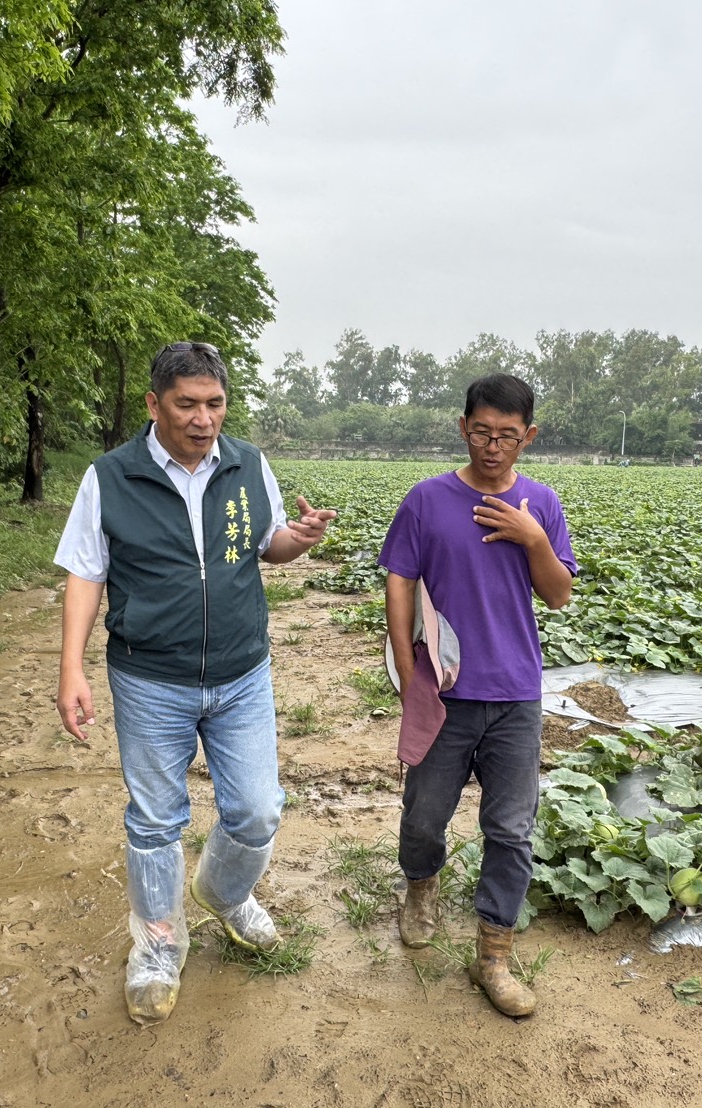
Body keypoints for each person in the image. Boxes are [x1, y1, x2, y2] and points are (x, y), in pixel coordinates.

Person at [54, 341, 336, 1026]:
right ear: (153, 404)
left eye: (214, 403)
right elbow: (86, 573)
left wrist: (297, 539)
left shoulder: (246, 464)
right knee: (154, 822)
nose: (202, 418)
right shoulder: (109, 477)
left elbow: (266, 543)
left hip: (241, 672)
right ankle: (156, 946)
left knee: (257, 809)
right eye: (186, 404)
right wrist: (71, 667)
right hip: (150, 677)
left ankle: (223, 891)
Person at [379, 373, 577, 1018]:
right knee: (423, 815)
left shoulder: (541, 504)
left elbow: (558, 594)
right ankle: (421, 890)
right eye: (484, 433)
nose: (494, 447)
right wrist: (410, 674)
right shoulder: (427, 501)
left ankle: (494, 953)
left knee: (511, 829)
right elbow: (400, 580)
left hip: (516, 691)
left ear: (530, 437)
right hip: (444, 689)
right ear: (463, 428)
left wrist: (534, 540)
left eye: (509, 437)